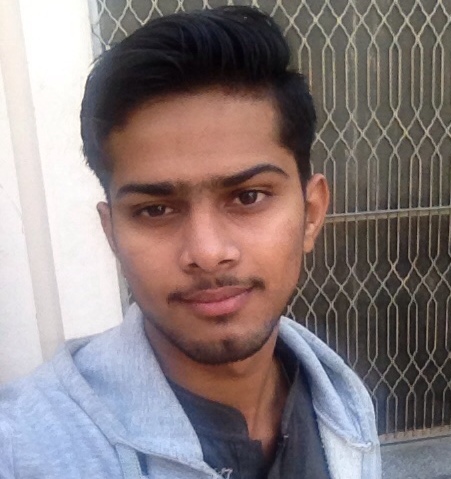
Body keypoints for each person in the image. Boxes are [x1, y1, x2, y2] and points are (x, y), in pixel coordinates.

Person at [0, 6, 380, 478]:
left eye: (248, 196)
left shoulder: (343, 403)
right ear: (111, 233)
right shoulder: (23, 449)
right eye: (155, 210)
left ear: (312, 213)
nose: (207, 252)